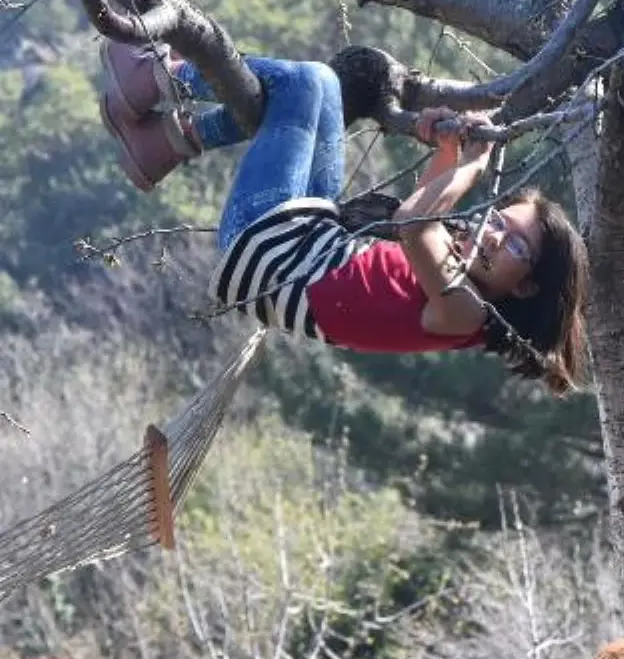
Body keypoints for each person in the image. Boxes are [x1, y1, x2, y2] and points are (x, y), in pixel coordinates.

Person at [96, 43, 589, 396]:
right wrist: (447, 150)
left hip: (270, 248)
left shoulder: (469, 313)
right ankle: (166, 142)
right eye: (500, 221)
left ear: (526, 287)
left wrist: (473, 167)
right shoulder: (457, 272)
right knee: (327, 83)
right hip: (307, 232)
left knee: (303, 84)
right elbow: (422, 211)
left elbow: (412, 223)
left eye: (515, 247)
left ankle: (164, 76)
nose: (494, 236)